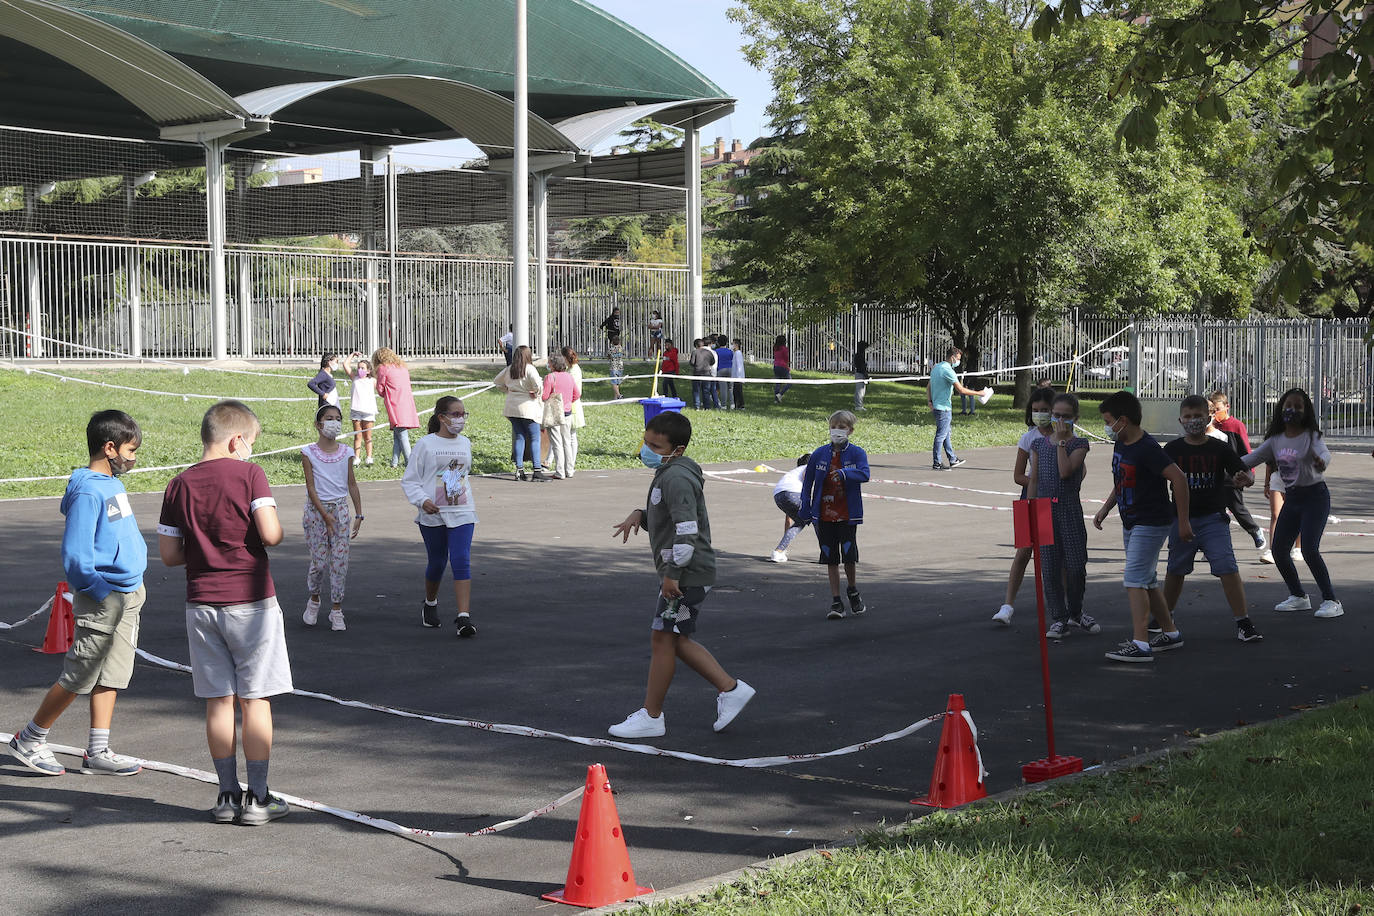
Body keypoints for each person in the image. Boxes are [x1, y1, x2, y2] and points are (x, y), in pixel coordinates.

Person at [158, 400, 292, 825]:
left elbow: (168, 555)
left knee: (218, 700)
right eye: (250, 442)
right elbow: (270, 533)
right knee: (255, 700)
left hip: (201, 602)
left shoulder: (177, 485)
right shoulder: (250, 473)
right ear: (237, 440)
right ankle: (259, 797)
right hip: (251, 601)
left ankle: (226, 796)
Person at [8, 410, 147, 778]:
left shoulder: (113, 486)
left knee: (113, 674)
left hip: (129, 593)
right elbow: (75, 556)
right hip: (105, 597)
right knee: (79, 674)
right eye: (130, 451)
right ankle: (30, 738)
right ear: (110, 447)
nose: (133, 459)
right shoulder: (88, 490)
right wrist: (101, 591)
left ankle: (97, 751)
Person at [608, 411, 754, 738]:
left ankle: (652, 715)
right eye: (646, 442)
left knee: (663, 637)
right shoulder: (671, 472)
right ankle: (730, 690)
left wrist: (673, 575)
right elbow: (669, 518)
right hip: (687, 574)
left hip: (686, 576)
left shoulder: (675, 477)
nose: (647, 450)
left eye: (656, 446)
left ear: (678, 449)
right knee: (674, 638)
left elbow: (686, 532)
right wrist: (641, 515)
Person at [1093, 390, 1193, 663]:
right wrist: (1106, 507)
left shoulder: (1148, 449)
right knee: (1146, 580)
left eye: (1108, 420)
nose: (1107, 427)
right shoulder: (1122, 443)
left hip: (1151, 522)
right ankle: (1170, 633)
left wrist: (1182, 521)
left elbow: (1180, 480)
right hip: (1132, 521)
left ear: (1123, 420)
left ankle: (1140, 643)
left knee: (1134, 579)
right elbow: (1122, 480)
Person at [1162, 395, 1263, 642]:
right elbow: (1156, 481)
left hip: (1213, 519)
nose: (1193, 421)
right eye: (1188, 416)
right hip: (1181, 519)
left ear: (1209, 418)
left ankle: (1243, 622)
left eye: (1198, 416)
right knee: (1175, 569)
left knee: (1227, 567)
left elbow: (1244, 473)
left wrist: (1246, 479)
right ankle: (1165, 617)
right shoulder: (1172, 450)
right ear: (1180, 420)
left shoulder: (1220, 447)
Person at [1238, 388, 1342, 619]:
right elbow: (1250, 459)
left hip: (1315, 498)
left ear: (1306, 412)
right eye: (1288, 405)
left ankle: (1331, 600)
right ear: (1280, 408)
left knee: (1309, 550)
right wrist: (1220, 461)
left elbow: (1325, 455)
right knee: (1278, 550)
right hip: (1293, 499)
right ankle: (1298, 596)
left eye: (1298, 406)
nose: (1292, 410)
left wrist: (1320, 462)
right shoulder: (1276, 440)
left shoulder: (1311, 436)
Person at [402, 396, 480, 636]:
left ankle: (463, 617)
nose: (460, 419)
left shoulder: (465, 443)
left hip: (462, 510)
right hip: (433, 513)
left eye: (463, 415)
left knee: (460, 558)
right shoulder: (426, 444)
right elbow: (410, 480)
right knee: (437, 562)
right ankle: (430, 603)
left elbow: (460, 473)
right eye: (455, 414)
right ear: (441, 418)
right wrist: (423, 500)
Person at [1028, 394, 1099, 639]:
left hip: (1068, 509)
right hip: (1044, 509)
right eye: (1056, 415)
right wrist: (1030, 509)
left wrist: (1060, 442)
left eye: (1065, 417)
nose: (1059, 420)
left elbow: (1066, 471)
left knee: (1076, 564)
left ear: (1075, 419)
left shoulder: (1079, 444)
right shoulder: (1038, 444)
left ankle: (1076, 611)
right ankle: (1059, 617)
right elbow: (1034, 479)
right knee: (1049, 566)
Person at [798, 410, 871, 620]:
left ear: (850, 430)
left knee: (848, 555)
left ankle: (852, 589)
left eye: (842, 427)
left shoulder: (857, 453)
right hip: (824, 514)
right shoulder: (819, 454)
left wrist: (845, 473)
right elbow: (808, 481)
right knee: (830, 558)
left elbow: (865, 474)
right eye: (834, 426)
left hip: (847, 514)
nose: (837, 431)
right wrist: (806, 506)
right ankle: (836, 601)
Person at [993, 386, 1057, 626]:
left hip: (1056, 498)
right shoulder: (1028, 438)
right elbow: (1019, 475)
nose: (1040, 414)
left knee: (1054, 555)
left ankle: (1062, 607)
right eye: (1036, 410)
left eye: (1046, 410)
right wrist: (1036, 483)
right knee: (1023, 551)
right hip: (1029, 496)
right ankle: (1007, 606)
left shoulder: (1064, 436)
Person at [300, 404, 363, 632]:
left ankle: (336, 609)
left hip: (340, 511)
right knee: (318, 562)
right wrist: (325, 516)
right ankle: (314, 599)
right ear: (318, 424)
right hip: (317, 512)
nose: (334, 422)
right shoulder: (308, 453)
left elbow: (352, 483)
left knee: (339, 562)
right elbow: (311, 487)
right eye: (329, 418)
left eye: (337, 418)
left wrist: (359, 513)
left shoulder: (346, 452)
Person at [1207, 392, 1267, 557]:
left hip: (1234, 475)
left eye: (1218, 409)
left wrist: (1249, 473)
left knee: (1236, 507)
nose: (1215, 414)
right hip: (1214, 477)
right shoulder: (1210, 427)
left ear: (1227, 407)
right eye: (1213, 410)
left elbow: (1246, 451)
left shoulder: (1236, 425)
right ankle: (1211, 546)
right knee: (1215, 513)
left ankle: (1255, 530)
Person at [494, 344, 549, 482]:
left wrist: (508, 390)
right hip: (528, 407)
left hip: (512, 406)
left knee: (519, 436)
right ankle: (537, 470)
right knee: (535, 438)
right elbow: (538, 385)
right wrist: (535, 393)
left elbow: (497, 382)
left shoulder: (510, 369)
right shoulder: (530, 369)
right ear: (528, 356)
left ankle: (519, 470)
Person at [928, 346, 985, 470]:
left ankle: (952, 459)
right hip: (943, 408)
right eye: (958, 359)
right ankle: (937, 462)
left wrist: (930, 401)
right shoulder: (948, 370)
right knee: (941, 435)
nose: (958, 362)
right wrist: (979, 393)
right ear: (952, 357)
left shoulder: (936, 367)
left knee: (946, 433)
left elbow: (929, 386)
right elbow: (961, 390)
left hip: (938, 406)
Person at [371, 347, 419, 468]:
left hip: (395, 403)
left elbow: (381, 389)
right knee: (398, 433)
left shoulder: (383, 368)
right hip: (406, 401)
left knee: (402, 434)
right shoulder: (402, 366)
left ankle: (410, 462)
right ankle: (394, 462)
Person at [541, 353, 579, 479]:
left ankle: (560, 471)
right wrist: (568, 402)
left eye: (549, 363)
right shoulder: (569, 376)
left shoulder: (550, 377)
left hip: (554, 413)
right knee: (566, 442)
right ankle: (570, 469)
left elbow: (545, 396)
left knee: (556, 443)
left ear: (553, 364)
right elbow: (576, 394)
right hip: (567, 412)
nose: (548, 365)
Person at [770, 455, 810, 563]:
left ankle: (779, 551)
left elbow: (788, 519)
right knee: (814, 518)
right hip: (793, 493)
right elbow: (807, 476)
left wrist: (786, 537)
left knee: (801, 521)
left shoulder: (793, 472)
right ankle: (826, 553)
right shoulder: (810, 467)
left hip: (779, 496)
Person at [341, 352, 376, 466]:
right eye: (358, 368)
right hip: (356, 411)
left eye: (363, 368)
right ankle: (357, 457)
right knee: (358, 435)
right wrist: (352, 355)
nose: (360, 369)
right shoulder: (354, 378)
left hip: (368, 412)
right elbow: (345, 364)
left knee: (368, 436)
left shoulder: (372, 381)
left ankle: (369, 457)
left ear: (368, 371)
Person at [562, 346, 587, 475]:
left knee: (571, 436)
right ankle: (569, 464)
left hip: (572, 405)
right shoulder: (571, 369)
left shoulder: (573, 371)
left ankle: (570, 464)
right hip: (571, 404)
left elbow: (576, 390)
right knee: (570, 436)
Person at [690, 338, 719, 409]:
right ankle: (707, 406)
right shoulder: (709, 352)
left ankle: (697, 406)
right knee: (706, 391)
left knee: (696, 391)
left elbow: (692, 362)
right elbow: (713, 362)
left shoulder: (695, 352)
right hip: (707, 373)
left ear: (696, 346)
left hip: (697, 373)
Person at [714, 334, 735, 409]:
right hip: (730, 369)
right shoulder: (730, 351)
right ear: (726, 342)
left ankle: (724, 405)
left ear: (718, 343)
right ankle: (732, 404)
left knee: (723, 389)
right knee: (731, 388)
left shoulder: (716, 351)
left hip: (720, 370)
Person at [772, 335, 792, 403]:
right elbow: (786, 359)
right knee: (790, 382)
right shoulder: (784, 348)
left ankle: (776, 399)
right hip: (783, 366)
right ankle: (780, 394)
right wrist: (788, 367)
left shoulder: (775, 348)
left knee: (778, 383)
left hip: (776, 366)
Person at [853, 340, 871, 411]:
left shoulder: (859, 355)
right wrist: (866, 376)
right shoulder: (859, 356)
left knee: (862, 390)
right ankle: (858, 406)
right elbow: (861, 367)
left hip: (861, 373)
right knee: (859, 390)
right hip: (860, 374)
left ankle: (860, 405)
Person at [607, 333, 626, 400]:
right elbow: (623, 354)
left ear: (612, 342)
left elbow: (608, 357)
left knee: (614, 382)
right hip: (620, 366)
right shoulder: (621, 348)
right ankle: (615, 398)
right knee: (617, 382)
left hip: (613, 367)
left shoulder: (610, 349)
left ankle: (618, 395)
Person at [730, 338, 747, 409]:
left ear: (736, 345)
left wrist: (739, 376)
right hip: (735, 376)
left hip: (738, 377)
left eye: (732, 344)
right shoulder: (735, 353)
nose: (732, 346)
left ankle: (740, 405)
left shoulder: (738, 353)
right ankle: (737, 405)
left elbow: (739, 366)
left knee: (738, 392)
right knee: (735, 392)